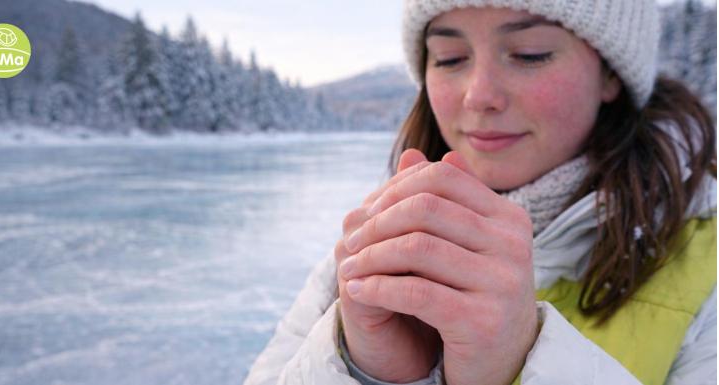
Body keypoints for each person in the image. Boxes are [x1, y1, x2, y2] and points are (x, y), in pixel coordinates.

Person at [244, 0, 717, 384]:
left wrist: (520, 364)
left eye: (530, 53)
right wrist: (364, 373)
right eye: (450, 58)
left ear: (611, 74)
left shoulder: (707, 268)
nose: (478, 94)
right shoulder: (377, 245)